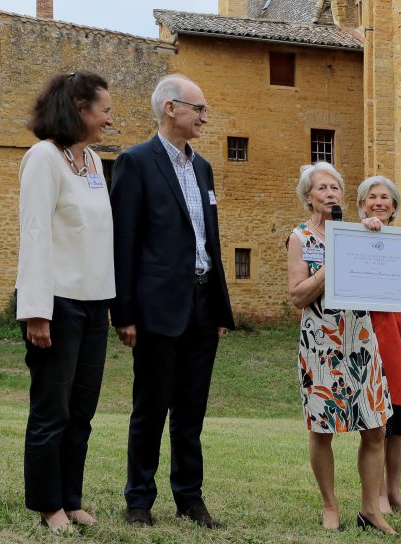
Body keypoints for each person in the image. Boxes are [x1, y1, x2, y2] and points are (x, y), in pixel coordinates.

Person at [110, 74, 235, 529]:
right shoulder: (135, 162)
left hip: (202, 306)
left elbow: (210, 242)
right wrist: (122, 313)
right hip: (156, 309)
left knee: (192, 411)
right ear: (170, 108)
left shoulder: (202, 168)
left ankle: (190, 498)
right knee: (151, 407)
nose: (204, 117)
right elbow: (124, 243)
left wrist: (220, 307)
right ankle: (139, 500)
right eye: (198, 109)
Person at [15, 71, 115, 533]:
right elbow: (35, 235)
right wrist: (36, 309)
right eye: (105, 109)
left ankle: (71, 499)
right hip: (55, 303)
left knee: (82, 412)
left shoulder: (92, 161)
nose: (110, 118)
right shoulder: (43, 158)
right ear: (80, 109)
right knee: (51, 410)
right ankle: (47, 504)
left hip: (95, 305)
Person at [287, 163, 397, 535]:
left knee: (376, 428)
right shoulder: (301, 237)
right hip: (321, 345)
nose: (331, 193)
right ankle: (329, 504)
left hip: (361, 342)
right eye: (322, 188)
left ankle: (370, 510)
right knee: (322, 430)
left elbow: (388, 271)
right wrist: (332, 263)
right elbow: (298, 296)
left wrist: (373, 240)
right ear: (309, 197)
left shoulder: (357, 231)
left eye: (336, 187)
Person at [358, 176, 401, 514]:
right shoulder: (356, 237)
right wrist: (367, 229)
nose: (379, 203)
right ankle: (378, 494)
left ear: (395, 206)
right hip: (372, 334)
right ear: (362, 204)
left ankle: (394, 492)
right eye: (372, 198)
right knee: (378, 418)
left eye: (385, 198)